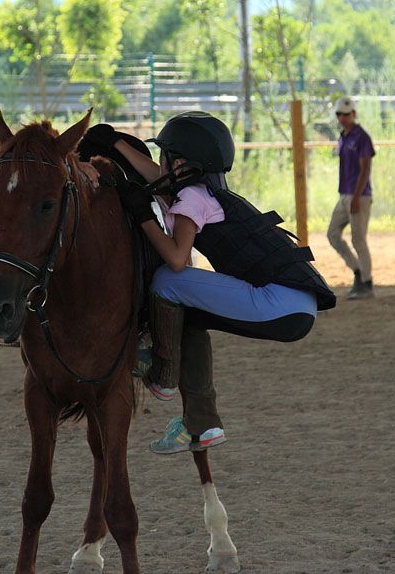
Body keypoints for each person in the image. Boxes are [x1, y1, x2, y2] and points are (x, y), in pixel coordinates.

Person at [83, 114, 335, 454]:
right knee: (190, 316)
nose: (161, 163)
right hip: (295, 305)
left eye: (166, 155)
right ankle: (203, 425)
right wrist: (116, 143)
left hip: (278, 302)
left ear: (181, 163)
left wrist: (142, 214)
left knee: (167, 280)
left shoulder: (191, 200)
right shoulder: (203, 191)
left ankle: (162, 376)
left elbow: (175, 258)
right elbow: (158, 177)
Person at [326, 96, 376, 300]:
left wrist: (356, 197)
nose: (342, 118)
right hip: (345, 194)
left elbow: (365, 169)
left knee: (358, 239)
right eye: (339, 114)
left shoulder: (361, 137)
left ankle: (366, 282)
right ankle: (357, 271)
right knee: (332, 234)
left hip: (359, 195)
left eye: (346, 114)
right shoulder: (343, 136)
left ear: (353, 114)